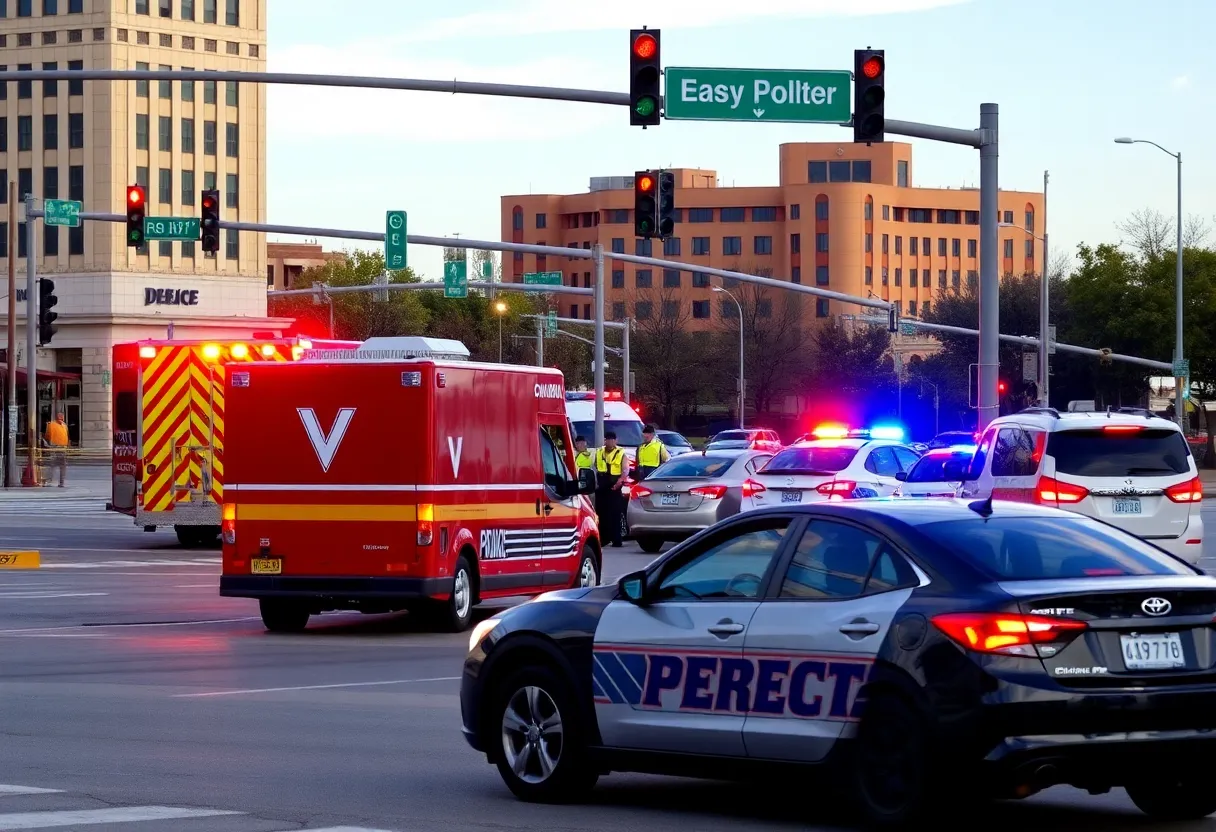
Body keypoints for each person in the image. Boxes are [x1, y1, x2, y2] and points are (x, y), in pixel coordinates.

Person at [594, 431, 628, 547]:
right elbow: (594, 467)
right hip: (602, 485)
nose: (609, 442)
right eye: (607, 439)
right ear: (605, 440)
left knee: (615, 513)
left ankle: (616, 539)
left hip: (614, 485)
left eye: (612, 439)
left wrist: (620, 481)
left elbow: (625, 469)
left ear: (616, 441)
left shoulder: (621, 453)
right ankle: (603, 539)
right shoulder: (599, 452)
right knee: (601, 513)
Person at [44, 412, 69, 487]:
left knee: (61, 466)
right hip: (55, 447)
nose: (61, 418)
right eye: (59, 417)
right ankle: (49, 481)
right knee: (52, 465)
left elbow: (67, 436)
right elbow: (47, 436)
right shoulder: (51, 425)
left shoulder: (64, 426)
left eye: (62, 417)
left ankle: (61, 482)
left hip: (63, 448)